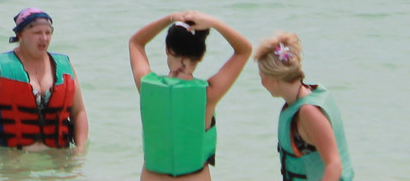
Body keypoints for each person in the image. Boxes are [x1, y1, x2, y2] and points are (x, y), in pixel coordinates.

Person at [127, 11, 251, 180]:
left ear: (167, 49)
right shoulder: (209, 93)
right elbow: (244, 50)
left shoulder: (146, 84)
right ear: (200, 56)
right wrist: (214, 23)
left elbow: (136, 42)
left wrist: (170, 18)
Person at [0, 7, 89, 152]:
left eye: (48, 33)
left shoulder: (65, 65)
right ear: (20, 35)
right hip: (12, 157)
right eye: (37, 33)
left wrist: (80, 149)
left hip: (58, 156)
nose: (44, 38)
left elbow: (79, 112)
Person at [255, 32, 352, 181]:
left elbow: (334, 165)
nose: (261, 83)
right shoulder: (307, 96)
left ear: (275, 78)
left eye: (262, 76)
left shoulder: (309, 112)